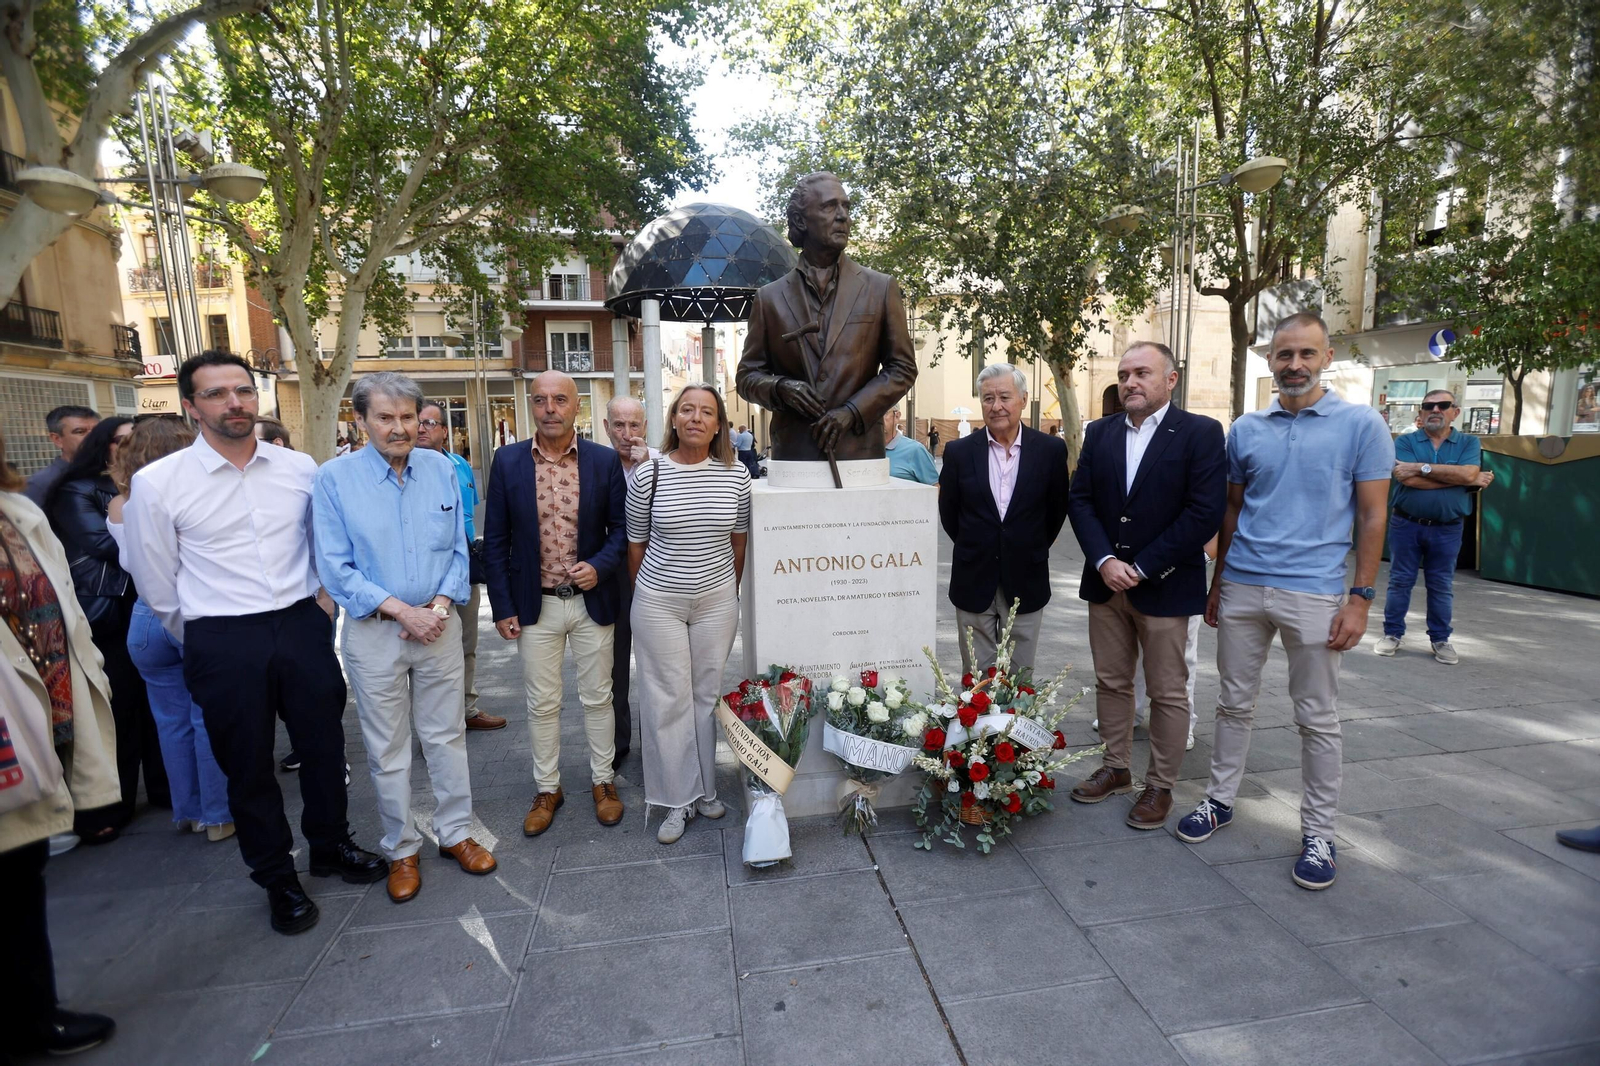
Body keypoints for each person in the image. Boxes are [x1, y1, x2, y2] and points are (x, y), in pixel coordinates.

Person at [122, 351, 384, 935]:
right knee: (247, 766)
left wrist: (321, 605)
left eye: (242, 390)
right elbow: (156, 580)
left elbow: (323, 544)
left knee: (323, 748)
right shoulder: (159, 484)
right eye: (216, 394)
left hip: (300, 624)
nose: (234, 402)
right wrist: (202, 635)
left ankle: (331, 846)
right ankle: (276, 877)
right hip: (221, 635)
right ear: (190, 406)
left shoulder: (298, 469)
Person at [1176, 313, 1394, 891]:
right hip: (1244, 583)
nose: (1293, 365)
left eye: (1305, 354)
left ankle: (1319, 833)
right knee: (1231, 703)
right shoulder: (1246, 429)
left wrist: (1361, 599)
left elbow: (1374, 514)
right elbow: (1231, 510)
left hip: (1316, 591)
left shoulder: (1361, 425)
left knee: (1317, 718)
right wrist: (1218, 582)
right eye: (1283, 355)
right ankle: (1219, 800)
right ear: (1269, 361)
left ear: (1326, 358)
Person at [315, 373, 495, 904]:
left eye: (408, 418)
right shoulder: (334, 479)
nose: (399, 428)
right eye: (386, 418)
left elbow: (458, 548)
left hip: (437, 625)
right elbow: (334, 567)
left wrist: (438, 606)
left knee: (446, 736)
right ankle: (400, 847)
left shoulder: (442, 469)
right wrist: (401, 611)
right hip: (375, 634)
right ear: (361, 420)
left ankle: (457, 832)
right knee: (387, 746)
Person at [1065, 342, 1226, 830]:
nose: (1130, 383)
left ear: (1170, 380)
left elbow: (1203, 511)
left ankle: (1160, 785)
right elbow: (1081, 500)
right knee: (1112, 682)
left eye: (1142, 373)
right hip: (1105, 583)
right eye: (1124, 374)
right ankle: (1116, 768)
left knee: (1167, 692)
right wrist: (1105, 559)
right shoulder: (1101, 432)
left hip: (1165, 585)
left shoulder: (1200, 432)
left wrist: (1142, 566)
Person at [0, 422, 121, 1057]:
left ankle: (31, 1010)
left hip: (42, 720)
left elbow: (62, 612)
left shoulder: (17, 510)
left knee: (20, 876)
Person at [483, 371, 629, 837]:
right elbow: (497, 541)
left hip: (592, 601)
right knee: (542, 704)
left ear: (576, 407)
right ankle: (548, 788)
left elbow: (622, 531)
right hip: (535, 605)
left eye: (560, 399)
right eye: (541, 400)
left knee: (598, 698)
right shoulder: (507, 462)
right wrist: (502, 606)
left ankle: (603, 782)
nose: (550, 408)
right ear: (531, 405)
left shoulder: (603, 461)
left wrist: (601, 566)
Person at [627, 383, 750, 844]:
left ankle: (705, 790)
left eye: (707, 412)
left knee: (705, 696)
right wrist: (656, 592)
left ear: (719, 425)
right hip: (660, 601)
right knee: (667, 699)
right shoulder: (649, 474)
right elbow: (635, 544)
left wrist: (725, 592)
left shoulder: (736, 476)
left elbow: (739, 541)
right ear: (674, 419)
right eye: (687, 410)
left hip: (717, 601)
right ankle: (675, 800)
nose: (696, 418)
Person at [107, 416, 234, 842]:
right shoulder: (186, 494)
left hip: (144, 619)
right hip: (193, 611)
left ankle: (190, 812)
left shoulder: (119, 502)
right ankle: (218, 816)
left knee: (171, 722)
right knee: (208, 718)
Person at [735, 171, 917, 463]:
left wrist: (852, 411)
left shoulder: (880, 288)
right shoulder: (769, 298)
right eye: (830, 206)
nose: (843, 216)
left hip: (859, 453)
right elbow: (746, 377)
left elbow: (903, 368)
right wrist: (781, 388)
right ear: (800, 221)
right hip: (795, 455)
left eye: (846, 206)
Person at [45, 416, 169, 833]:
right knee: (119, 707)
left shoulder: (147, 485)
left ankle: (165, 788)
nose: (128, 446)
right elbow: (103, 544)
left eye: (135, 439)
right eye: (119, 441)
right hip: (108, 613)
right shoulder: (78, 490)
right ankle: (109, 807)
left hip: (146, 602)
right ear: (104, 446)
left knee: (158, 707)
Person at [937, 364, 1070, 675]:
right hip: (973, 578)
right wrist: (979, 544)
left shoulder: (1050, 451)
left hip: (1027, 577)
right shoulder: (958, 452)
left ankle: (1015, 725)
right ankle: (979, 726)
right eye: (987, 398)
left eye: (1004, 397)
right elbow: (950, 514)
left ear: (1023, 399)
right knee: (976, 681)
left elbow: (1056, 511)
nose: (996, 406)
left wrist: (1026, 544)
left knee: (1020, 680)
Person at [1376, 389, 1491, 666]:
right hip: (1406, 524)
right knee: (1400, 581)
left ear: (1455, 412)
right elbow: (1407, 480)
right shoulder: (1405, 441)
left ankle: (1440, 639)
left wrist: (1421, 468)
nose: (1435, 410)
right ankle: (1392, 634)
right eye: (1429, 405)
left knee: (1441, 585)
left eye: (1443, 405)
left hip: (1448, 527)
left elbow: (1467, 471)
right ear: (1421, 411)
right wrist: (1465, 480)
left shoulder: (1468, 442)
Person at [418, 400, 506, 731]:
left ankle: (467, 710)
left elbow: (468, 518)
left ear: (444, 430)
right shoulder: (405, 468)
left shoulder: (460, 465)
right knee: (430, 655)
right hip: (427, 576)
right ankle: (438, 726)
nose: (423, 428)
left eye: (430, 423)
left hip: (464, 569)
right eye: (419, 422)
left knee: (467, 644)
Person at [602, 394, 658, 770]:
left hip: (658, 574)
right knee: (614, 666)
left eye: (633, 425)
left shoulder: (662, 461)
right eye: (618, 425)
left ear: (645, 427)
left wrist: (648, 470)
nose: (626, 434)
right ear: (606, 428)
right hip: (613, 576)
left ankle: (661, 744)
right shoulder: (595, 463)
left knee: (660, 667)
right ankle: (618, 746)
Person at [24, 405, 100, 508]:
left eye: (97, 431)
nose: (92, 437)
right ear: (57, 439)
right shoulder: (40, 484)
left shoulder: (112, 473)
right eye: (80, 432)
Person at [883, 405, 938, 484]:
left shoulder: (915, 450)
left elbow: (936, 488)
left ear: (897, 416)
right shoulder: (863, 451)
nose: (876, 419)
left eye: (883, 413)